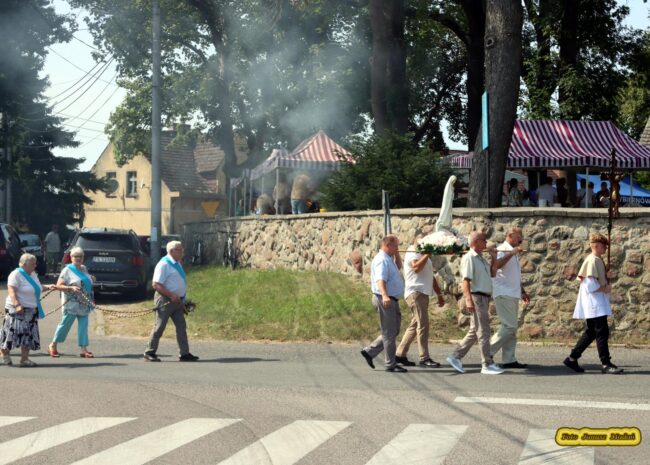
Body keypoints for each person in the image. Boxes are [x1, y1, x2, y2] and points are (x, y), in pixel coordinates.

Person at [563, 233, 623, 374]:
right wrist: (605, 288)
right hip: (594, 303)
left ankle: (572, 358)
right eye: (604, 245)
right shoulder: (592, 261)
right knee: (602, 332)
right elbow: (591, 286)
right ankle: (606, 364)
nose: (606, 247)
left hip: (595, 302)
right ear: (596, 245)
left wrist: (605, 275)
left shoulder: (597, 260)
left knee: (591, 332)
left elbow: (597, 279)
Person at [446, 232, 503, 375]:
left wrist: (494, 257)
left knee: (474, 330)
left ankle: (455, 356)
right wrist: (468, 300)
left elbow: (493, 273)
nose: (486, 243)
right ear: (476, 242)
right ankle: (486, 364)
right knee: (483, 331)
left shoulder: (481, 258)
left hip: (484, 297)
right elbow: (465, 281)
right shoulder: (469, 257)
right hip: (477, 296)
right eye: (484, 240)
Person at [394, 235, 445, 368]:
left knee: (415, 325)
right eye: (421, 241)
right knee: (423, 325)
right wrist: (427, 254)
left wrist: (439, 294)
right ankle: (424, 358)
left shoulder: (423, 255)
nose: (423, 244)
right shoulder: (412, 251)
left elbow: (431, 276)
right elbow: (416, 268)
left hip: (423, 293)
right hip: (415, 293)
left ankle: (400, 354)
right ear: (415, 241)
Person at [144, 241, 199, 362]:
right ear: (172, 251)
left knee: (181, 327)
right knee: (159, 326)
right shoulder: (164, 264)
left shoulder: (177, 263)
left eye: (182, 249)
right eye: (180, 250)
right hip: (165, 299)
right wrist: (171, 295)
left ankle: (184, 353)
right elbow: (156, 284)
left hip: (178, 301)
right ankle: (149, 351)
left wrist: (182, 298)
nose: (182, 252)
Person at [360, 235, 405, 372]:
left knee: (394, 331)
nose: (397, 248)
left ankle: (369, 352)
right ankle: (390, 364)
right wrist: (385, 295)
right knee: (389, 333)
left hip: (392, 299)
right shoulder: (382, 260)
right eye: (395, 246)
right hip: (384, 298)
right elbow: (380, 280)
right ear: (387, 245)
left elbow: (398, 266)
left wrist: (396, 253)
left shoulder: (388, 258)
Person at [1, 253, 55, 367]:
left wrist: (48, 286)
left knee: (28, 335)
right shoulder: (15, 274)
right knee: (11, 333)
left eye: (35, 263)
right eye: (32, 264)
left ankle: (24, 359)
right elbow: (11, 291)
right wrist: (17, 304)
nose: (35, 266)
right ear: (24, 264)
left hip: (31, 310)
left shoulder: (33, 275)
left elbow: (36, 288)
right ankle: (5, 354)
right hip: (16, 309)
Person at [489, 227, 530, 368]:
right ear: (511, 235)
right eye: (519, 236)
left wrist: (522, 291)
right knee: (509, 326)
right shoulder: (503, 249)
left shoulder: (512, 250)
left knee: (512, 328)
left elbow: (514, 275)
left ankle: (509, 359)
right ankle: (487, 352)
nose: (521, 239)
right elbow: (497, 265)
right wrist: (511, 254)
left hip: (513, 293)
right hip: (503, 292)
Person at [48, 247, 96, 358]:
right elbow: (58, 286)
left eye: (80, 256)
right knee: (65, 325)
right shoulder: (67, 270)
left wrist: (91, 278)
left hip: (84, 303)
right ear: (71, 257)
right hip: (71, 304)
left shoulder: (83, 268)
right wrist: (71, 288)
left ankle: (84, 349)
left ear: (83, 258)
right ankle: (53, 345)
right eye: (75, 256)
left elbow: (84, 281)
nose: (78, 258)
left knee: (83, 326)